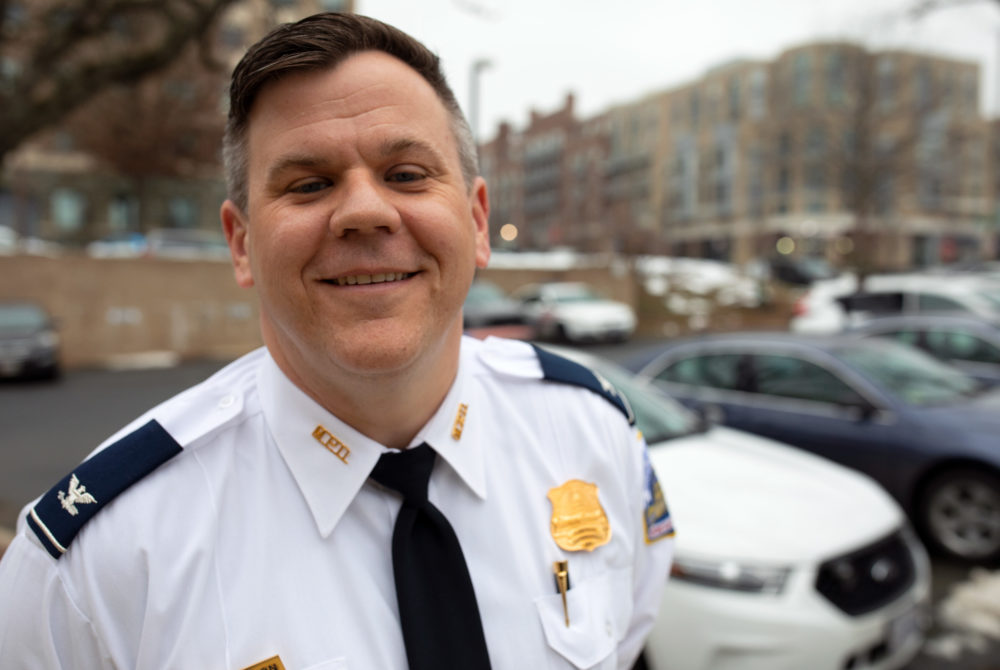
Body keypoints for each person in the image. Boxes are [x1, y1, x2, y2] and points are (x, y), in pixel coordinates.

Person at [0, 12, 673, 669]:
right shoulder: (99, 562)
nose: (364, 212)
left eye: (406, 174)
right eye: (310, 184)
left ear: (476, 220)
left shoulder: (590, 432)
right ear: (241, 244)